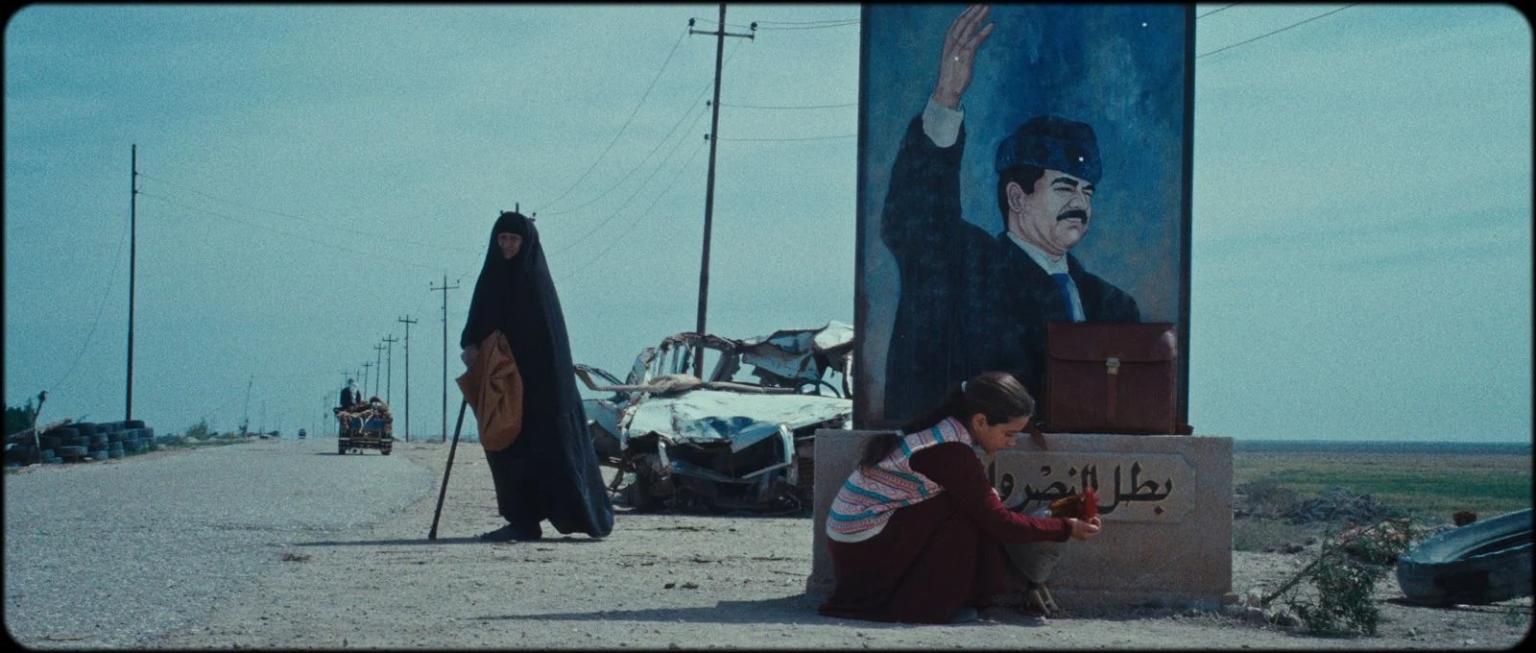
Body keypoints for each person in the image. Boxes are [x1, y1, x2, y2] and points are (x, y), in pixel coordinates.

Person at [880, 4, 1140, 427]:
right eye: (1064, 187)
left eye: (1087, 190)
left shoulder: (1113, 306)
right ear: (1017, 197)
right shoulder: (966, 267)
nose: (1081, 202)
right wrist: (947, 97)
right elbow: (917, 215)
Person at [819, 371, 1102, 624]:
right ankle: (922, 608)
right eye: (1009, 433)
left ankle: (954, 598)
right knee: (967, 511)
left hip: (864, 543)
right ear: (980, 421)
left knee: (977, 502)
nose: (1012, 443)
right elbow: (1000, 524)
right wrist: (1066, 528)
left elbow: (990, 510)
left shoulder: (949, 435)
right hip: (863, 552)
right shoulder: (949, 450)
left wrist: (1059, 513)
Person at [460, 210, 614, 542]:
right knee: (504, 450)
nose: (507, 245)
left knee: (550, 452)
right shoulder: (491, 277)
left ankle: (585, 517)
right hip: (501, 384)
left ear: (525, 242)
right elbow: (476, 321)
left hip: (540, 389)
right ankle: (522, 521)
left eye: (513, 239)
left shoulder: (536, 282)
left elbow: (547, 342)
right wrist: (471, 346)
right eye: (502, 238)